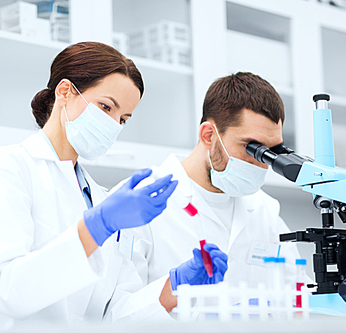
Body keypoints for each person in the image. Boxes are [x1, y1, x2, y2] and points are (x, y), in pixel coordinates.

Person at [0, 42, 227, 332]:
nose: (114, 125)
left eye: (123, 119)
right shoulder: (7, 167)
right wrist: (98, 226)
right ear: (65, 92)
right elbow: (9, 291)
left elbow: (110, 317)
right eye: (106, 107)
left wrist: (174, 287)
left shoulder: (99, 197)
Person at [108, 72, 306, 320]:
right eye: (251, 148)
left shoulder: (264, 209)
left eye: (271, 151)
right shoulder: (138, 202)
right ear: (209, 135)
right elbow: (112, 316)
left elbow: (299, 295)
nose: (261, 164)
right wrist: (171, 290)